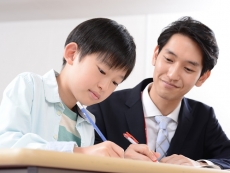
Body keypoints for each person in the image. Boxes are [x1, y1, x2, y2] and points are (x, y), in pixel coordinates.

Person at [87, 16, 230, 172]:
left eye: (188, 69)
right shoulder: (104, 105)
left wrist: (197, 165)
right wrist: (121, 160)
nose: (172, 75)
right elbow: (79, 156)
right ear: (155, 55)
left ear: (203, 77)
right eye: (168, 60)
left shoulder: (203, 117)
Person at [0, 18, 136, 158]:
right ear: (72, 54)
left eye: (115, 82)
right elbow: (5, 144)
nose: (104, 87)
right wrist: (79, 153)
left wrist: (122, 160)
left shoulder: (88, 123)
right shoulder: (29, 86)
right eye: (101, 71)